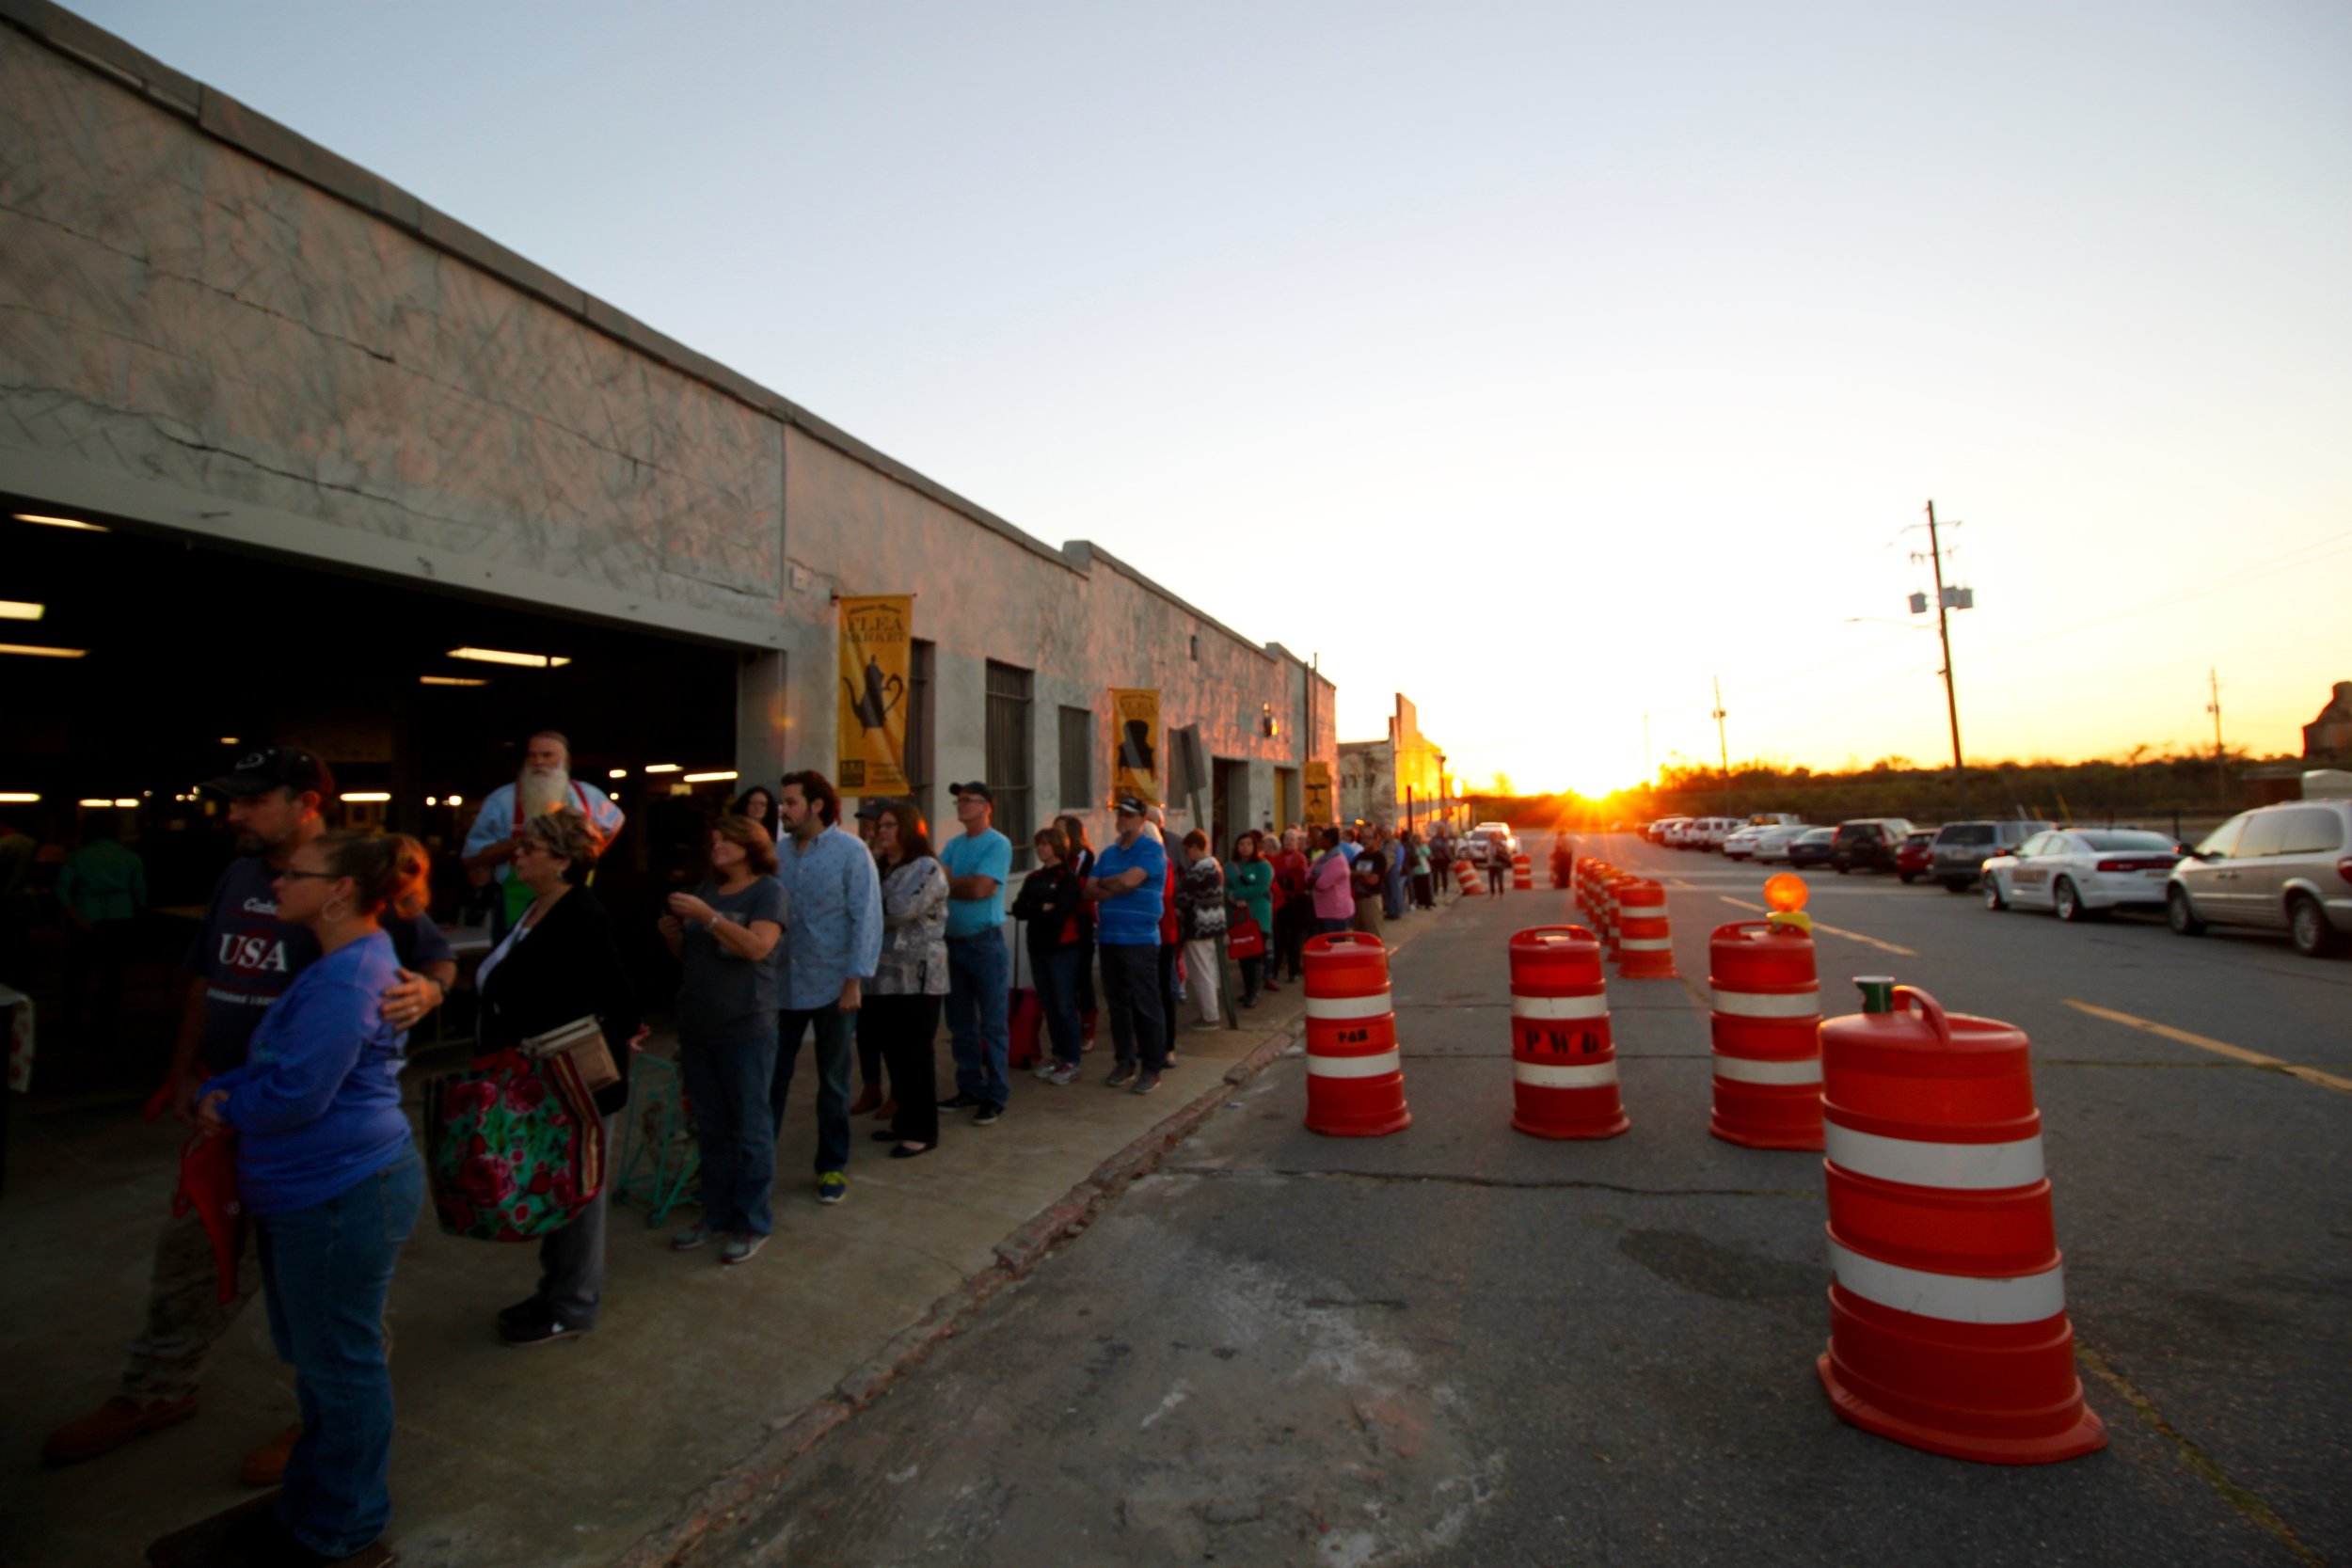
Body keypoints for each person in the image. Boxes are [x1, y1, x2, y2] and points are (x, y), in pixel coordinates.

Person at [42, 748, 453, 1483]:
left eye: (249, 801)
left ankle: (324, 1426)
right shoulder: (241, 874)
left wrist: (428, 992)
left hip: (303, 1135)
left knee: (327, 1298)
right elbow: (208, 979)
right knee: (191, 1262)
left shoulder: (359, 887)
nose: (233, 814)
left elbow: (431, 964)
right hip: (233, 1115)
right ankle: (156, 1390)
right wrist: (181, 1073)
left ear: (303, 803)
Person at [188, 830, 433, 1565]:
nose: (277, 884)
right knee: (325, 1356)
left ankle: (342, 1523)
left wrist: (224, 1103)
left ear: (340, 892)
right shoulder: (345, 963)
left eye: (295, 874)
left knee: (341, 1361)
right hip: (323, 1189)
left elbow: (298, 1093)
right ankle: (315, 1502)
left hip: (338, 1192)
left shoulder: (349, 977)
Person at [473, 808, 641, 1346]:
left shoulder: (580, 913)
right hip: (536, 1075)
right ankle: (553, 1292)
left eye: (531, 849)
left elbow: (618, 996)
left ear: (564, 861)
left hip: (574, 1078)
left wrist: (612, 1045)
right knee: (554, 1185)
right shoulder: (537, 908)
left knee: (579, 1191)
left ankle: (573, 1304)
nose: (518, 855)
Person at [660, 816, 786, 1264]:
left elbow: (757, 948)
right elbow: (693, 957)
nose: (715, 847)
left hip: (745, 1026)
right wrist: (676, 937)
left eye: (724, 841)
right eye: (712, 840)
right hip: (699, 1025)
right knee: (710, 1128)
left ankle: (752, 1221)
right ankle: (715, 1213)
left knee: (750, 1127)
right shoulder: (705, 889)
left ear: (748, 845)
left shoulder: (767, 891)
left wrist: (708, 918)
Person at [770, 770, 882, 1207]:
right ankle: (759, 1162)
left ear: (817, 805)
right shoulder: (778, 854)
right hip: (783, 987)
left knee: (833, 1082)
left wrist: (855, 981)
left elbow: (866, 919)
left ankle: (832, 1164)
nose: (784, 810)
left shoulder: (851, 852)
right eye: (784, 802)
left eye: (791, 802)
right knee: (770, 1080)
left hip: (834, 986)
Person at [462, 731, 627, 937]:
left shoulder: (588, 797)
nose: (538, 762)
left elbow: (616, 823)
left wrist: (588, 853)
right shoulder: (502, 801)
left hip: (575, 905)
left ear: (565, 760)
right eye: (532, 755)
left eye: (547, 755)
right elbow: (471, 858)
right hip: (517, 905)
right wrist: (521, 844)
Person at [866, 802, 947, 1156]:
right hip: (882, 976)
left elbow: (900, 909)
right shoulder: (882, 867)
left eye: (888, 825)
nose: (881, 831)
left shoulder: (927, 867)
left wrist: (867, 905)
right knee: (893, 1052)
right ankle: (903, 1121)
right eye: (879, 826)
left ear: (907, 829)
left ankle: (922, 1130)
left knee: (915, 1054)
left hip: (917, 976)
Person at [938, 782, 1013, 1125]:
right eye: (959, 800)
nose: (961, 805)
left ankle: (996, 1093)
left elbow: (982, 889)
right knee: (960, 1023)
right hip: (953, 943)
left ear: (987, 806)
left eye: (969, 800)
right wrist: (959, 884)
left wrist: (954, 883)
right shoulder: (954, 845)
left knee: (993, 1023)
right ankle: (969, 1086)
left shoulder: (997, 844)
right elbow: (937, 885)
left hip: (984, 943)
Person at [1086, 798, 1170, 1094]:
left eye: (1129, 815)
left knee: (1146, 1004)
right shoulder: (1108, 853)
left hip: (1140, 940)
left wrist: (1111, 885)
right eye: (1120, 814)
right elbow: (1089, 890)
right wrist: (1117, 884)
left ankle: (1152, 1067)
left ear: (1142, 818)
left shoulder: (1152, 850)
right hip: (1110, 937)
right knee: (1118, 1005)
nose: (1122, 819)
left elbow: (1130, 882)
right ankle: (1124, 1060)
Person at [56, 812, 148, 1043]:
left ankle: (72, 1019)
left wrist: (75, 916)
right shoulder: (130, 857)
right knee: (112, 973)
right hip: (120, 916)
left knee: (77, 973)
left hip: (85, 915)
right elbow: (140, 894)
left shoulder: (78, 857)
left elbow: (62, 891)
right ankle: (105, 1020)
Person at [1011, 825, 1088, 1085]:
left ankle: (1071, 1059)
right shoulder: (1034, 878)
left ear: (1057, 846)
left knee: (1064, 1004)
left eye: (1046, 844)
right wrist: (1039, 907)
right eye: (1039, 845)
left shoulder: (1067, 878)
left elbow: (1060, 913)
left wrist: (1043, 909)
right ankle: (1057, 1055)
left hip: (1062, 950)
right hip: (1038, 948)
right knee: (1050, 1004)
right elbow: (1019, 908)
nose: (1041, 849)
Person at [849, 797, 892, 1116]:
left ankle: (896, 1092)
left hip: (890, 953)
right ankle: (871, 1085)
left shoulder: (897, 857)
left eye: (876, 821)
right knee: (865, 1028)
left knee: (888, 1028)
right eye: (867, 821)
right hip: (863, 952)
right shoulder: (861, 852)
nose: (871, 827)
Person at [1173, 830, 1228, 1029]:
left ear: (1195, 848)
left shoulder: (1199, 870)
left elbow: (1184, 897)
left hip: (1198, 925)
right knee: (1208, 968)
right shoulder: (1215, 865)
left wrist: (1176, 905)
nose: (1188, 855)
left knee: (1200, 971)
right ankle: (1210, 1011)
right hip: (1213, 922)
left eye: (1188, 851)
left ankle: (1209, 1016)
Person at [1053, 812, 1099, 1034]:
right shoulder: (1056, 859)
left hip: (1081, 922)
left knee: (1082, 977)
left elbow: (1077, 889)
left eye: (1060, 831)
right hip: (1058, 923)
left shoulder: (1084, 857)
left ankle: (1087, 1025)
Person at [1226, 832, 1272, 1008]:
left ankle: (1253, 992)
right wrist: (1231, 898)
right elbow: (1223, 886)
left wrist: (1239, 895)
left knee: (1255, 955)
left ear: (1255, 847)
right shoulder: (1230, 866)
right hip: (1238, 918)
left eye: (1248, 844)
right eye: (1241, 844)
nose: (1244, 847)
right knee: (1242, 954)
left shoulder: (1263, 866)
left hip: (1257, 917)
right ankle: (1248, 990)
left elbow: (1261, 886)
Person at [1270, 828, 1311, 981]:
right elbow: (1273, 877)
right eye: (1287, 839)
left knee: (1294, 938)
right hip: (1280, 900)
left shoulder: (1300, 857)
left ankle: (1293, 971)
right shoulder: (1277, 857)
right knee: (1279, 936)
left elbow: (1301, 877)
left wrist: (1290, 878)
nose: (1289, 842)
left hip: (1295, 901)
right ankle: (1274, 969)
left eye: (1292, 839)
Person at [1309, 828, 1356, 936]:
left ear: (1329, 841)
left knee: (1334, 946)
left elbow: (1322, 884)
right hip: (1322, 911)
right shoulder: (1322, 858)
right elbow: (1308, 873)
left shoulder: (1338, 861)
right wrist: (1313, 878)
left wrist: (1314, 878)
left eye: (1322, 839)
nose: (1319, 842)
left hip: (1335, 913)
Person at [1350, 831, 1388, 935]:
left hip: (1371, 899)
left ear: (1376, 840)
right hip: (1358, 899)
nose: (1365, 841)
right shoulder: (1359, 856)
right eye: (1363, 838)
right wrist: (1362, 874)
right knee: (1358, 934)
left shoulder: (1379, 857)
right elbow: (1348, 874)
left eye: (1369, 838)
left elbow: (1372, 880)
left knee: (1372, 933)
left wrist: (1357, 876)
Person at [1381, 827, 1408, 922]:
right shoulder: (1384, 844)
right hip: (1385, 871)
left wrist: (1396, 868)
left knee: (1394, 891)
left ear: (1391, 834)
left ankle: (1397, 911)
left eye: (1387, 833)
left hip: (1393, 871)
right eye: (1384, 833)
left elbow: (1400, 857)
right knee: (1386, 892)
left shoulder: (1396, 844)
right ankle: (1390, 911)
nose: (1385, 835)